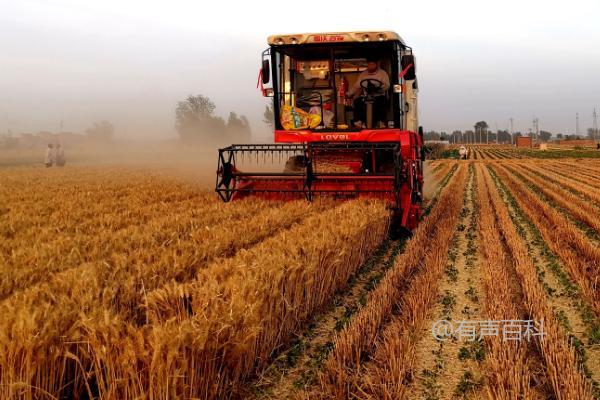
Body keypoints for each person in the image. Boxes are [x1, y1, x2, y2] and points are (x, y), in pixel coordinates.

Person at [347, 57, 390, 128]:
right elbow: (356, 86)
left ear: (376, 65)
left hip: (379, 95)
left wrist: (379, 88)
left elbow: (387, 85)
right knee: (357, 101)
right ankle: (359, 121)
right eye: (369, 64)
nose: (371, 66)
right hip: (366, 96)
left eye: (372, 64)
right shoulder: (363, 74)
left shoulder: (382, 73)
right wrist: (348, 94)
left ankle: (381, 122)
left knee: (383, 101)